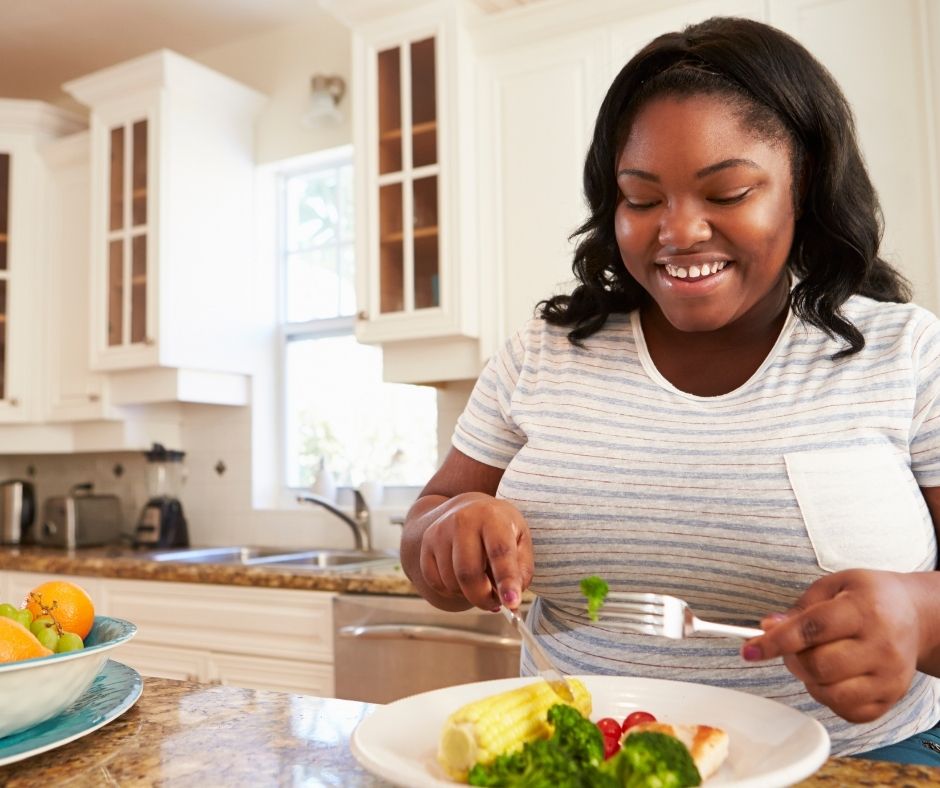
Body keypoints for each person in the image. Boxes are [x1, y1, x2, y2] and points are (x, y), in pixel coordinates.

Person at [400, 15, 940, 764]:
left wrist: (920, 616)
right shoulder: (543, 353)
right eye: (642, 200)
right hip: (584, 763)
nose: (678, 232)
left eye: (728, 192)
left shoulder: (906, 350)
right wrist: (449, 527)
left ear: (803, 187)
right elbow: (426, 522)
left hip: (857, 765)